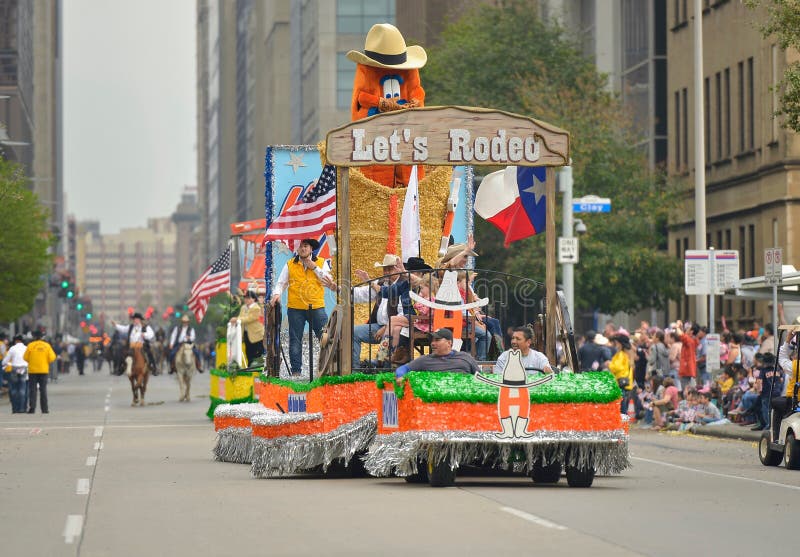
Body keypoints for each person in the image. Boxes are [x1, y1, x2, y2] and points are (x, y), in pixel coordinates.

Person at [269, 238, 335, 375]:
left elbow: (328, 280)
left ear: (311, 249)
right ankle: (296, 372)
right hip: (295, 308)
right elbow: (281, 282)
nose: (303, 249)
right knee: (295, 340)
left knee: (325, 338)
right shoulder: (290, 264)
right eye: (300, 246)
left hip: (316, 306)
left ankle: (329, 370)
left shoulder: (321, 262)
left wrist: (314, 267)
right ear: (297, 249)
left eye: (306, 246)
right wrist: (276, 294)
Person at [352, 254, 405, 368]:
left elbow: (403, 313)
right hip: (378, 327)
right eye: (384, 269)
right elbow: (362, 294)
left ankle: (384, 366)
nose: (386, 272)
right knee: (354, 332)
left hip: (397, 328)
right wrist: (339, 289)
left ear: (397, 269)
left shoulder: (402, 285)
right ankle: (355, 370)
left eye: (389, 269)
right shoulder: (381, 283)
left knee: (393, 331)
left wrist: (386, 327)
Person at [395, 328, 479, 380]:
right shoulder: (425, 360)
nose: (432, 343)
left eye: (437, 340)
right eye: (432, 340)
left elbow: (480, 377)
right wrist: (400, 376)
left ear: (449, 343)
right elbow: (403, 368)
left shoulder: (466, 357)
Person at [23, 330, 56, 414]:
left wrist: (32, 361)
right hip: (43, 370)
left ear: (34, 337)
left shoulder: (30, 345)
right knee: (43, 390)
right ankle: (44, 409)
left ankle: (32, 408)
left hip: (33, 371)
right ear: (42, 337)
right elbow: (52, 357)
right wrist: (45, 361)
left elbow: (25, 357)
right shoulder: (47, 346)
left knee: (32, 390)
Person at [235, 290, 267, 366]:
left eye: (248, 298)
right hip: (247, 333)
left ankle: (258, 370)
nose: (246, 300)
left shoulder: (256, 308)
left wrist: (237, 320)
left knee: (258, 353)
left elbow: (250, 318)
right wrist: (238, 319)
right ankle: (250, 368)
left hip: (257, 335)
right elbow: (241, 316)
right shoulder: (243, 308)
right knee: (248, 352)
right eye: (245, 298)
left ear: (253, 299)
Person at [2, 334, 29, 413]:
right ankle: (22, 408)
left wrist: (7, 364)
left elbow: (5, 361)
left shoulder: (12, 348)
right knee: (23, 389)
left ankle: (15, 408)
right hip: (24, 368)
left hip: (15, 368)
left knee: (14, 389)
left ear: (15, 340)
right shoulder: (26, 348)